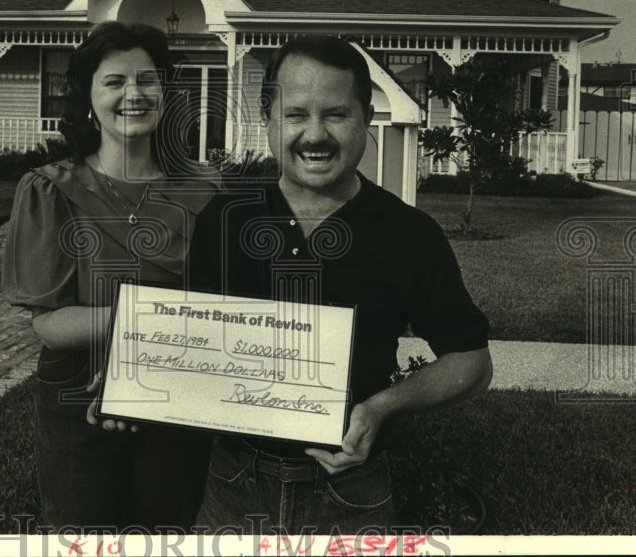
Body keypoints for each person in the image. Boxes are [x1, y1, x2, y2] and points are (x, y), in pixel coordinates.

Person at [187, 36, 492, 535]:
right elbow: (184, 341)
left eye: (335, 114)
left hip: (351, 494)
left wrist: (380, 408)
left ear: (366, 117)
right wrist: (130, 386)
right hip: (233, 483)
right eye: (295, 115)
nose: (315, 135)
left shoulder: (409, 235)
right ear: (268, 120)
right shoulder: (225, 221)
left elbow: (472, 363)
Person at [2, 21, 218, 532]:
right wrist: (144, 320)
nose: (133, 94)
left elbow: (219, 310)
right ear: (88, 97)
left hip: (177, 389)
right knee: (86, 534)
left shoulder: (208, 191)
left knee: (170, 530)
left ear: (166, 91)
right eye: (114, 82)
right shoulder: (48, 190)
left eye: (147, 80)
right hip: (77, 394)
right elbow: (49, 324)